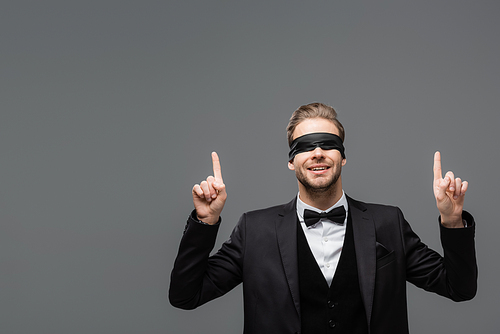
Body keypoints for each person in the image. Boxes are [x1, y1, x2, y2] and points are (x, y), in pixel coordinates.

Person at [169, 102, 477, 334]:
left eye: (328, 144)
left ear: (342, 156)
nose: (318, 152)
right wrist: (205, 221)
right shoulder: (255, 230)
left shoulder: (387, 223)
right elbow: (186, 296)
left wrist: (452, 221)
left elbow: (459, 288)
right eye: (305, 146)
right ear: (292, 160)